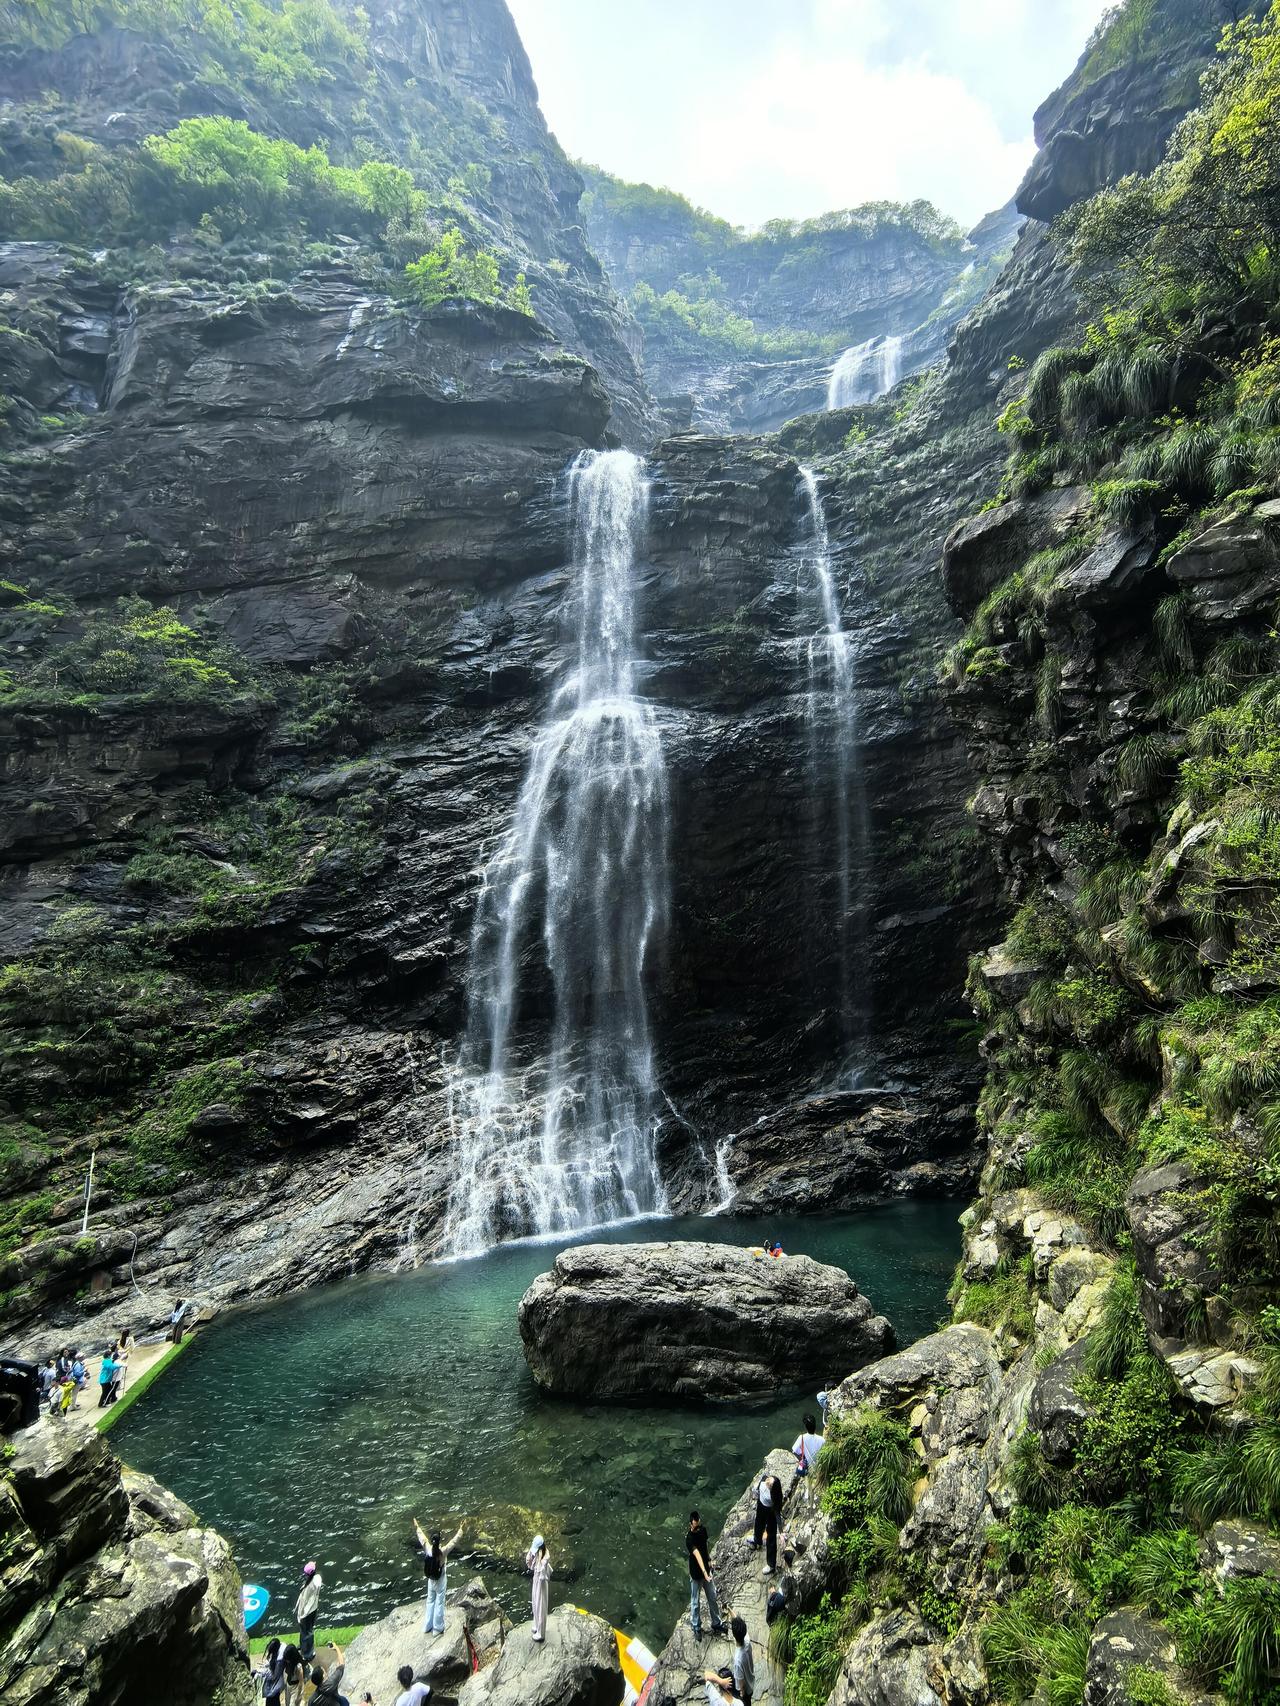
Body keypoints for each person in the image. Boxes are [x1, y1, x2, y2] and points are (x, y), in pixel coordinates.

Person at [413, 1517, 464, 1635]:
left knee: (430, 1601)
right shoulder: (443, 1551)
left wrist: (417, 1526)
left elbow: (421, 1537)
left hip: (431, 1579)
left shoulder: (428, 1548)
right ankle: (437, 1628)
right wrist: (461, 1529)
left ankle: (427, 1626)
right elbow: (454, 1541)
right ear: (439, 1541)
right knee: (439, 1602)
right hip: (440, 1580)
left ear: (432, 1541)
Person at [686, 1510, 726, 1640]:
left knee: (712, 1596)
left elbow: (704, 1547)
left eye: (698, 1524)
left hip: (706, 1571)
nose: (697, 1527)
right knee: (695, 1602)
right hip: (696, 1574)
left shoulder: (702, 1530)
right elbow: (697, 1555)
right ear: (690, 1524)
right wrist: (705, 1573)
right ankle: (696, 1627)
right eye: (695, 1525)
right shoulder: (689, 1539)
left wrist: (709, 1560)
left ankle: (717, 1623)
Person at [704, 1615, 754, 1706]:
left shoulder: (738, 1660)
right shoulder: (747, 1640)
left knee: (746, 1702)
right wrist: (730, 1610)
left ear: (734, 1635)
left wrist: (742, 1693)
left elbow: (741, 1683)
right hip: (751, 1682)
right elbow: (739, 1624)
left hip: (745, 1690)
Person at [747, 1473, 783, 1575]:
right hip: (761, 1505)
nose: (767, 1482)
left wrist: (781, 1532)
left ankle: (771, 1565)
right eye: (769, 1480)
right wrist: (755, 1490)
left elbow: (777, 1514)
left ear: (773, 1488)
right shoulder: (764, 1479)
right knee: (758, 1523)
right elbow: (758, 1488)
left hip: (770, 1512)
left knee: (771, 1536)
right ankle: (756, 1540)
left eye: (770, 1484)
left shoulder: (775, 1497)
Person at [295, 1561, 323, 1662]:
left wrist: (301, 1616)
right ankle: (303, 1646)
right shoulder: (317, 1578)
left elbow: (305, 1604)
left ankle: (308, 1654)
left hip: (306, 1613)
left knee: (307, 1632)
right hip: (313, 1610)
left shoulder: (310, 1587)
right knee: (306, 1631)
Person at [527, 1534, 552, 1641]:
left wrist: (541, 1570)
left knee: (540, 1605)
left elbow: (541, 1572)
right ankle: (537, 1625)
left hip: (541, 1583)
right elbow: (530, 1565)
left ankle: (541, 1633)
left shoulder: (545, 1557)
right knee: (535, 1602)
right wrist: (531, 1554)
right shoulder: (538, 1552)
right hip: (536, 1580)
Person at [309, 1640, 348, 1705]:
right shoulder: (332, 1682)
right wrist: (336, 1648)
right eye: (323, 1670)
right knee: (344, 1701)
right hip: (336, 1703)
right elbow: (341, 1664)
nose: (325, 1671)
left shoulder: (312, 1700)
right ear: (323, 1676)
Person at [258, 1637, 284, 1706]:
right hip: (274, 1683)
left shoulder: (279, 1661)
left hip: (275, 1684)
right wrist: (267, 1665)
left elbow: (274, 1677)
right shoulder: (279, 1647)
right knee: (271, 1700)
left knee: (273, 1701)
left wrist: (262, 1674)